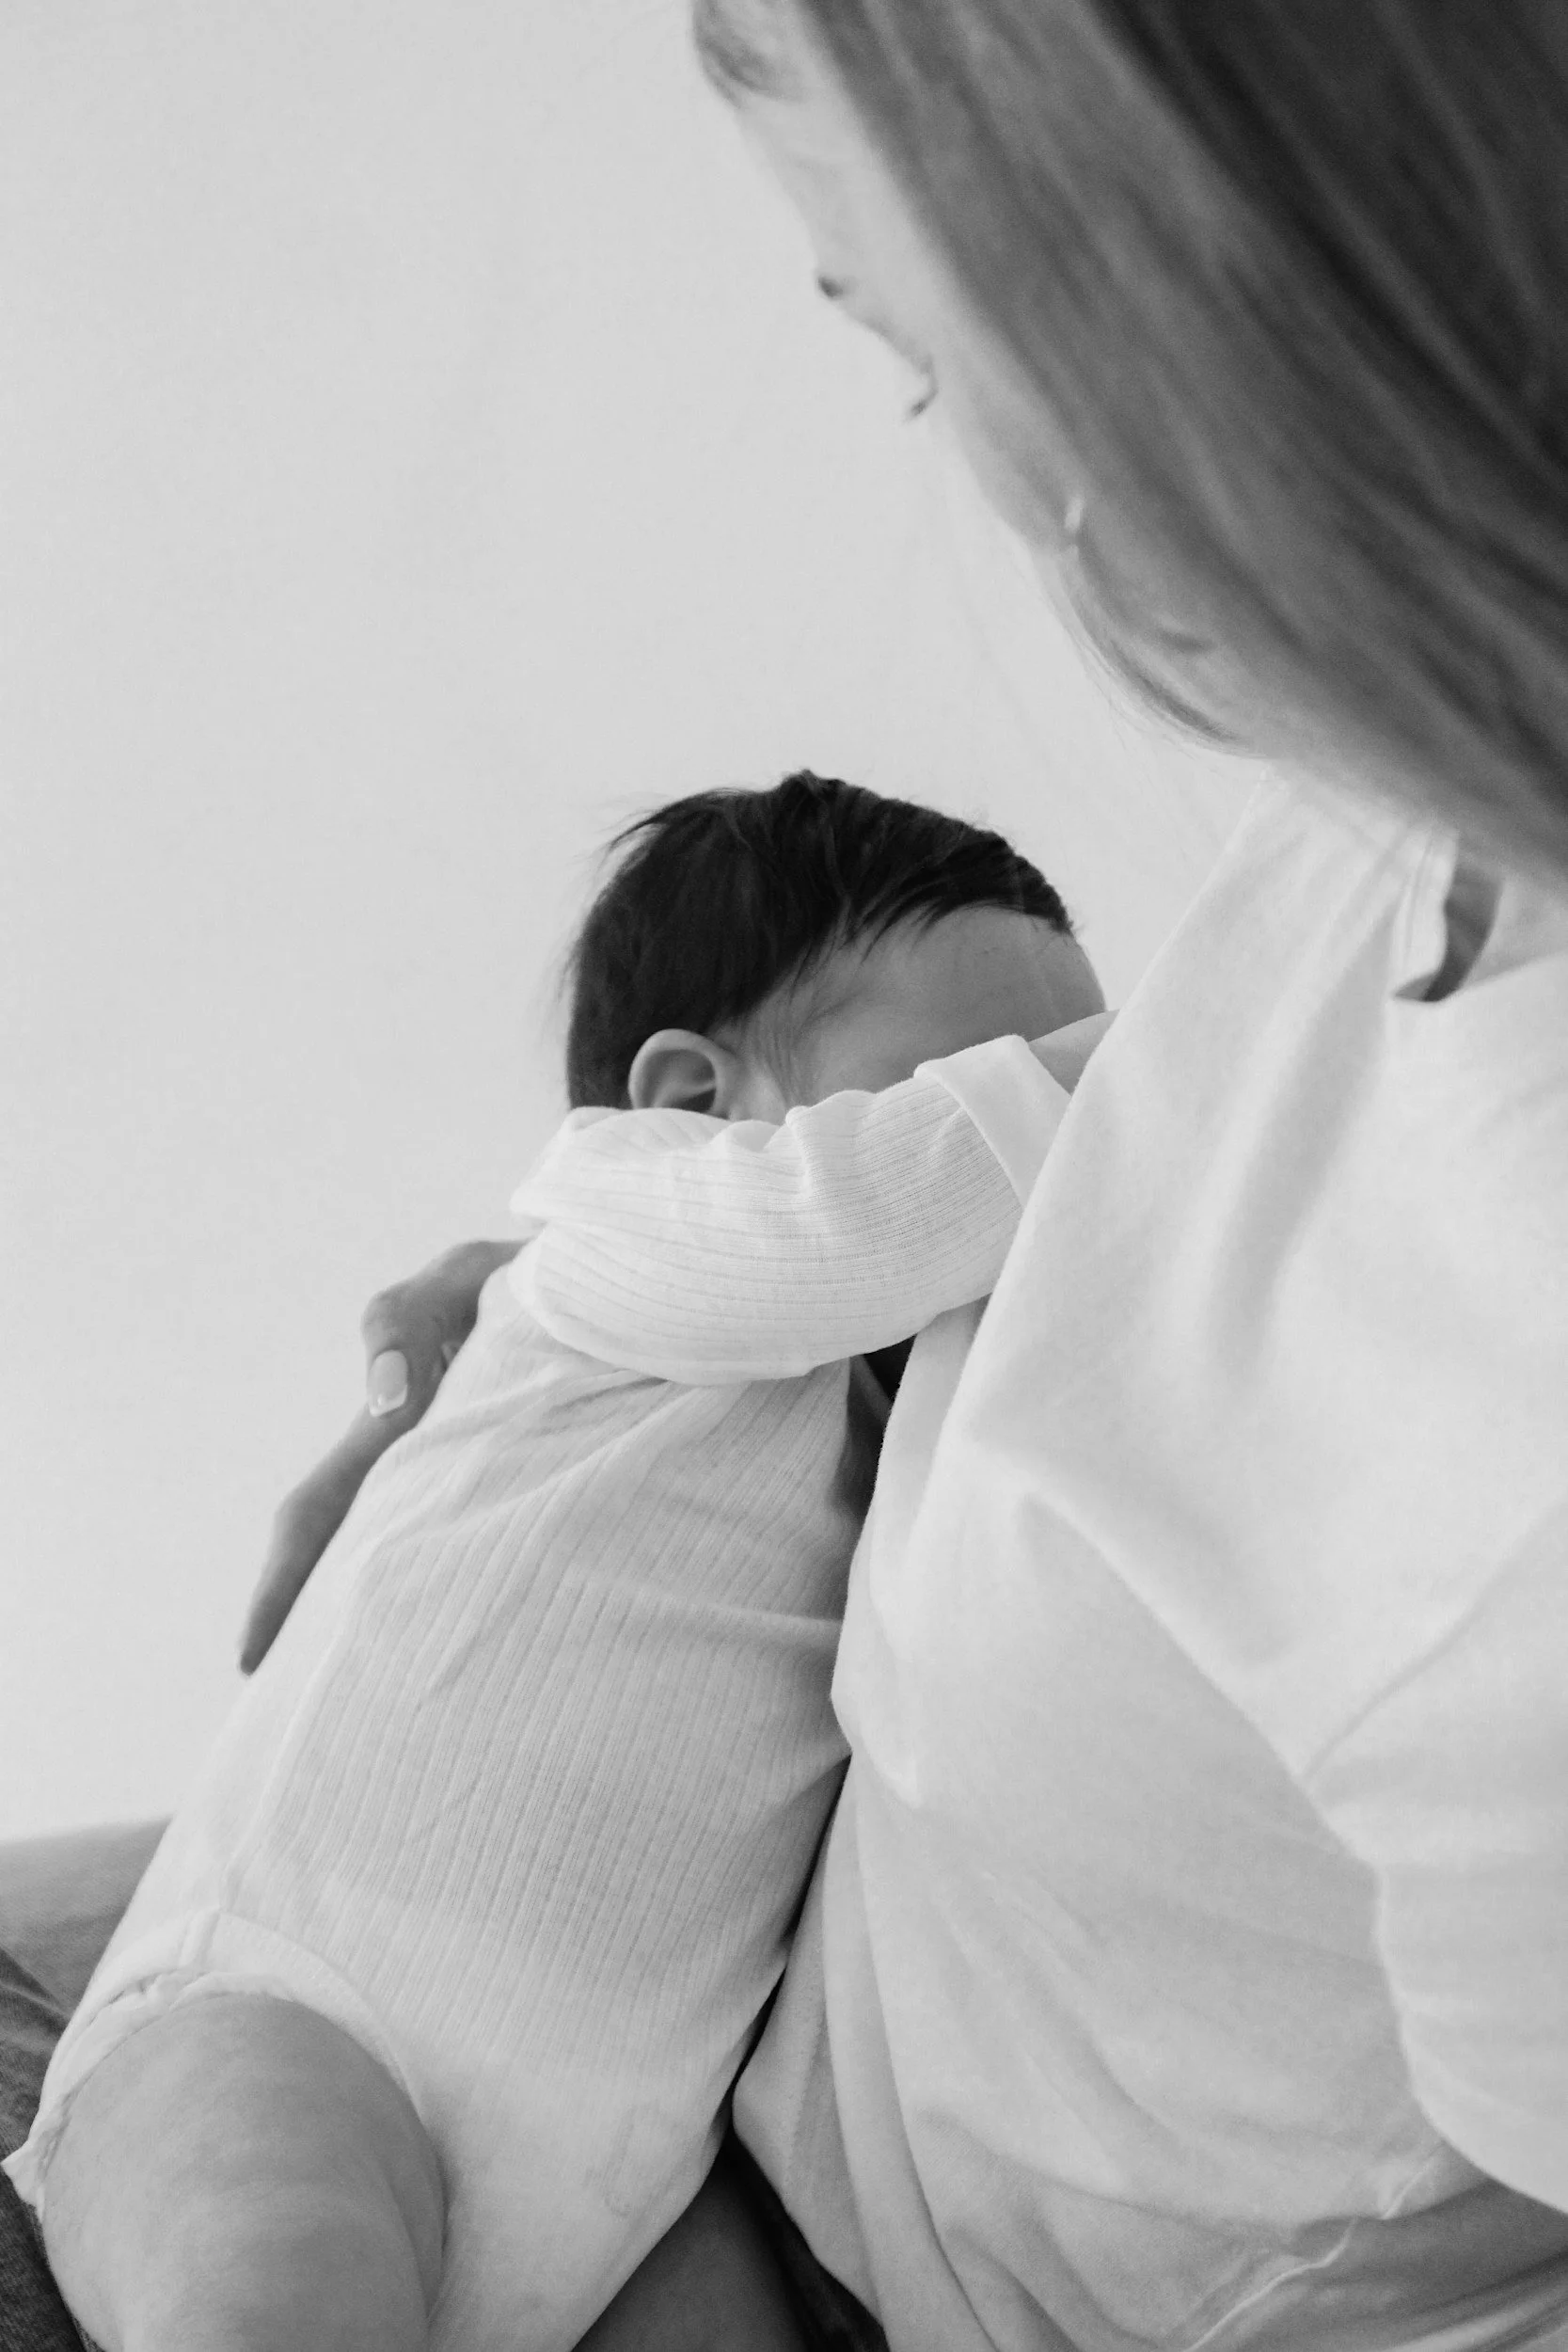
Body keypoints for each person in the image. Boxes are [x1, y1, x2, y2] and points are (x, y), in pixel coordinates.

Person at [242, 8, 1568, 2351]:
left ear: (1171, 330)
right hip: (685, 2042)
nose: (980, 484)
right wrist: (576, 1363)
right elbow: (1125, 1258)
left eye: (921, 355)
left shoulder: (1507, 1452)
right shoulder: (1400, 820)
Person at [5, 772, 1107, 2352]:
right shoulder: (615, 1240)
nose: (1046, 1160)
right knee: (273, 2268)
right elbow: (880, 1207)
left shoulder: (916, 1468)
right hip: (291, 2004)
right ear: (687, 1108)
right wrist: (1184, 1054)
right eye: (953, 1084)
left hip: (626, 2183)